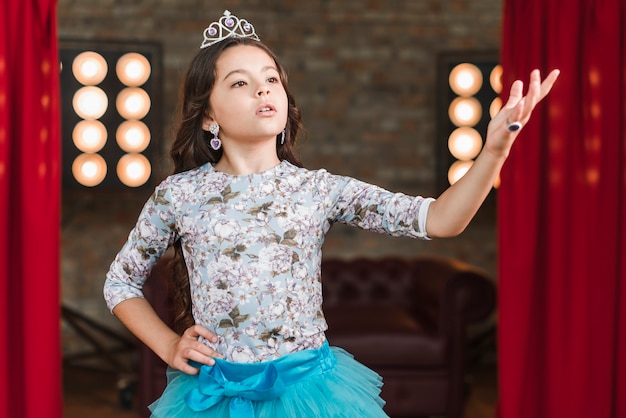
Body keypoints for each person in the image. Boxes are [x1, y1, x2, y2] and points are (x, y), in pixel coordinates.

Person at [104, 9, 559, 418]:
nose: (263, 88)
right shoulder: (180, 195)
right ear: (208, 117)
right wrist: (167, 344)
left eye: (271, 78)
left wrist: (495, 151)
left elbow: (440, 219)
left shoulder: (319, 189)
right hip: (215, 396)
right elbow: (120, 281)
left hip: (309, 394)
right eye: (240, 82)